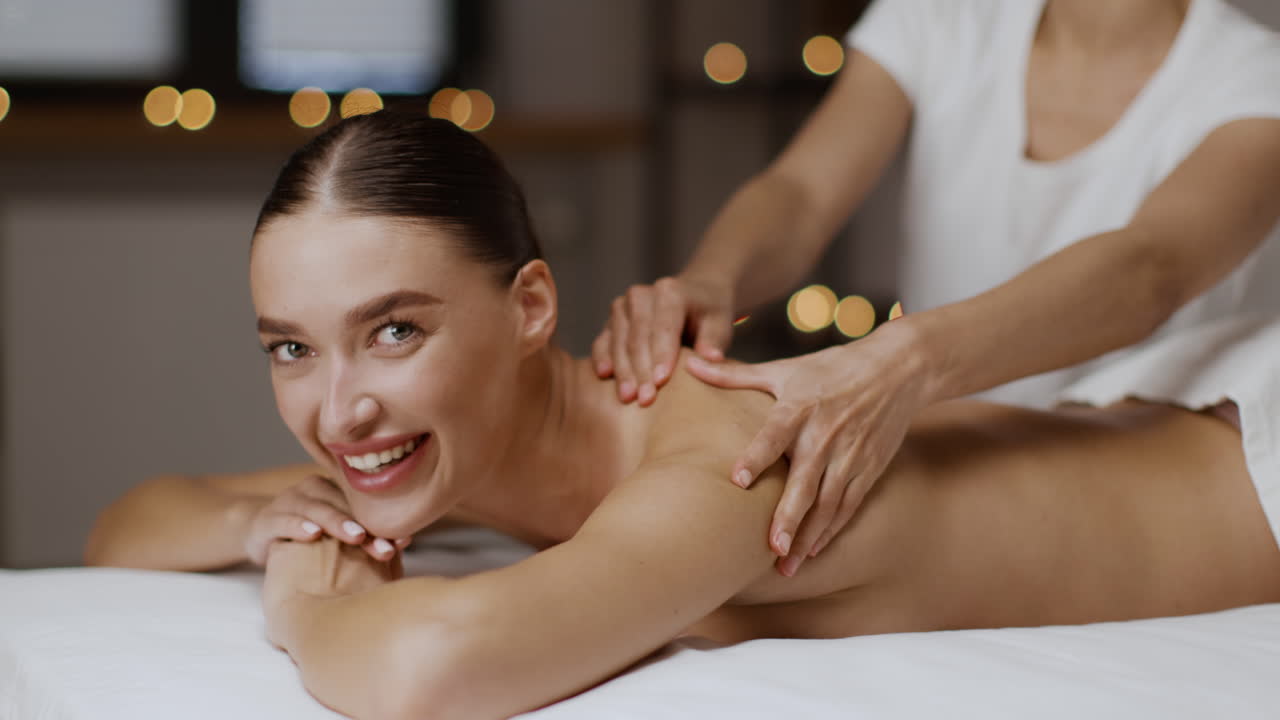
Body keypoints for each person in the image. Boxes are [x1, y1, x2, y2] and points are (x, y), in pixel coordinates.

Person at [86, 111, 1280, 720]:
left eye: (396, 329)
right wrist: (261, 528)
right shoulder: (412, 439)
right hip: (1140, 409)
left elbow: (431, 666)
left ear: (531, 308)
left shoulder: (719, 454)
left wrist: (297, 597)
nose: (339, 409)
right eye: (291, 348)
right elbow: (130, 528)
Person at [594, 0, 1280, 575]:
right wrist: (714, 279)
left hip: (1144, 504)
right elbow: (802, 191)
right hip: (944, 465)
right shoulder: (941, 17)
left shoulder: (1256, 78)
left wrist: (907, 361)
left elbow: (1150, 267)